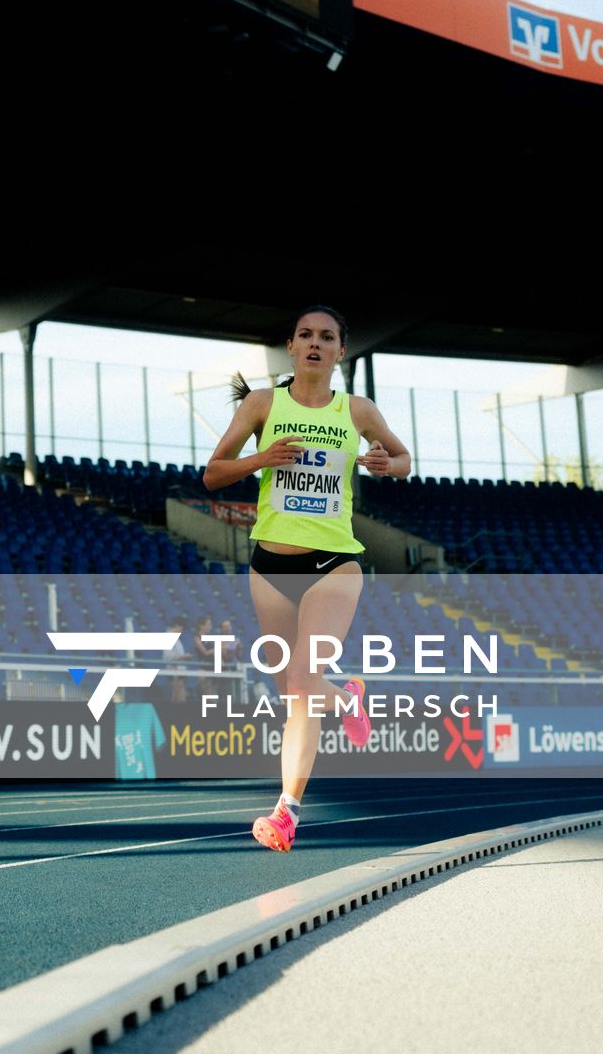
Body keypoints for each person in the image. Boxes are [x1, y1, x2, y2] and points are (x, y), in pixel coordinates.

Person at [202, 306, 411, 852]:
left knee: (299, 683)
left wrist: (390, 464)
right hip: (269, 567)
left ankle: (287, 811)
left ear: (341, 351)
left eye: (327, 337)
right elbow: (212, 473)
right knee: (291, 689)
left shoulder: (357, 409)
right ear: (291, 347)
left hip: (333, 564)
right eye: (305, 335)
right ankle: (345, 698)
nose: (315, 344)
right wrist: (262, 458)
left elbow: (405, 457)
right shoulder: (263, 404)